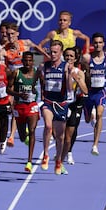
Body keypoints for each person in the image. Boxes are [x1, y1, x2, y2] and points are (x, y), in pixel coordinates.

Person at [2, 23, 50, 147]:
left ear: (17, 34)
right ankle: (12, 136)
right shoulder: (4, 50)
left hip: (28, 79)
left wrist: (49, 58)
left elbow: (37, 48)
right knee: (14, 106)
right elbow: (2, 65)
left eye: (12, 34)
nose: (10, 36)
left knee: (28, 105)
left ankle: (24, 129)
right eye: (8, 34)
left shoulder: (26, 43)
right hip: (15, 80)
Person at [38, 40, 72, 175]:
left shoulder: (65, 67)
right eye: (51, 52)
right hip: (48, 102)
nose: (52, 55)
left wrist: (68, 75)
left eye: (55, 52)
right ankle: (45, 154)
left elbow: (69, 88)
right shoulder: (44, 66)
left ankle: (58, 160)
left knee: (60, 137)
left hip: (61, 104)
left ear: (61, 53)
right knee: (47, 126)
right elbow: (38, 80)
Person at [82, 33, 106, 156]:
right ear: (93, 44)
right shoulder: (87, 58)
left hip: (101, 92)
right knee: (87, 120)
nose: (98, 45)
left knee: (100, 114)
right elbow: (82, 71)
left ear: (104, 44)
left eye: (100, 42)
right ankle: (90, 115)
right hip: (89, 92)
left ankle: (95, 145)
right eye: (96, 43)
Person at [6, 51, 41, 173]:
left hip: (32, 106)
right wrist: (18, 94)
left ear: (33, 61)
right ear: (22, 61)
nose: (28, 63)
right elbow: (8, 90)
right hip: (19, 107)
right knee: (21, 137)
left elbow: (44, 85)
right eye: (25, 60)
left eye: (30, 60)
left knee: (32, 131)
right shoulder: (16, 72)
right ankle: (23, 134)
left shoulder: (37, 72)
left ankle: (29, 161)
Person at [62, 47, 89, 165]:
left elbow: (85, 90)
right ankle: (61, 150)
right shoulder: (59, 70)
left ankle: (69, 152)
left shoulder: (79, 72)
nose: (69, 58)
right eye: (67, 55)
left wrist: (76, 79)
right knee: (58, 130)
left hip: (75, 103)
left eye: (71, 56)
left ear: (75, 58)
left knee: (72, 129)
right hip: (62, 103)